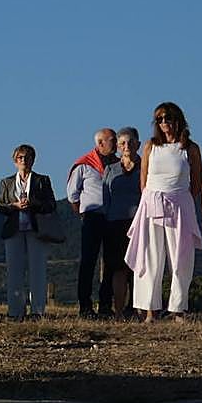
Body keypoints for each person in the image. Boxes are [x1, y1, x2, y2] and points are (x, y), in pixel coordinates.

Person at [125, 103, 202, 322]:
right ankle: (150, 310)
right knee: (150, 257)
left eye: (168, 118)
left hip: (179, 204)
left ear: (178, 119)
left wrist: (181, 198)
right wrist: (150, 199)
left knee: (180, 258)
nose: (164, 123)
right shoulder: (150, 146)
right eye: (159, 119)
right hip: (152, 203)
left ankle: (178, 309)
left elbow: (197, 183)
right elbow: (144, 179)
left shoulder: (190, 148)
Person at [0, 145, 55, 321]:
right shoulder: (6, 182)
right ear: (15, 161)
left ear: (33, 160)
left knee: (38, 270)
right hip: (14, 229)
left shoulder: (42, 180)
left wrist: (34, 204)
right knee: (14, 271)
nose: (24, 160)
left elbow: (51, 205)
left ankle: (37, 311)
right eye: (20, 157)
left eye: (28, 157)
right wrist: (13, 206)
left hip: (36, 229)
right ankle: (15, 311)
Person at [67, 128, 118, 318]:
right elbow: (73, 195)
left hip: (113, 218)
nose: (116, 143)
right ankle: (85, 306)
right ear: (100, 143)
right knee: (88, 262)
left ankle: (105, 305)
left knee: (111, 263)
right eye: (112, 140)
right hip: (92, 217)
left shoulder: (118, 164)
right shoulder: (84, 165)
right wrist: (83, 214)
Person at [101, 128, 141, 319]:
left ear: (138, 144)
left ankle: (138, 309)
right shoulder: (110, 170)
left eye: (131, 142)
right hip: (114, 224)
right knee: (118, 268)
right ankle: (118, 312)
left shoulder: (146, 168)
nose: (127, 146)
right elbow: (105, 197)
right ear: (117, 147)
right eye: (123, 143)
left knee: (139, 268)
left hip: (139, 224)